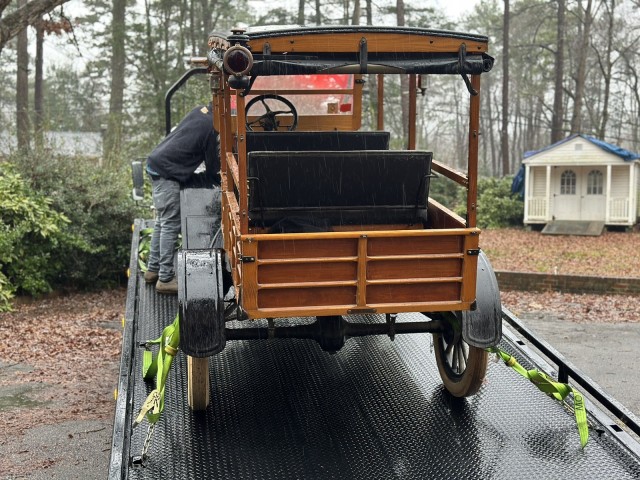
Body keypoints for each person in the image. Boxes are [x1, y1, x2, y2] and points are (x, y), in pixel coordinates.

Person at [143, 104, 220, 294]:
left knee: (162, 222)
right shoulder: (213, 128)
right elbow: (212, 168)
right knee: (170, 224)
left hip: (158, 164)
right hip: (167, 173)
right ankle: (166, 279)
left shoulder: (201, 111)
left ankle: (153, 270)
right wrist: (218, 178)